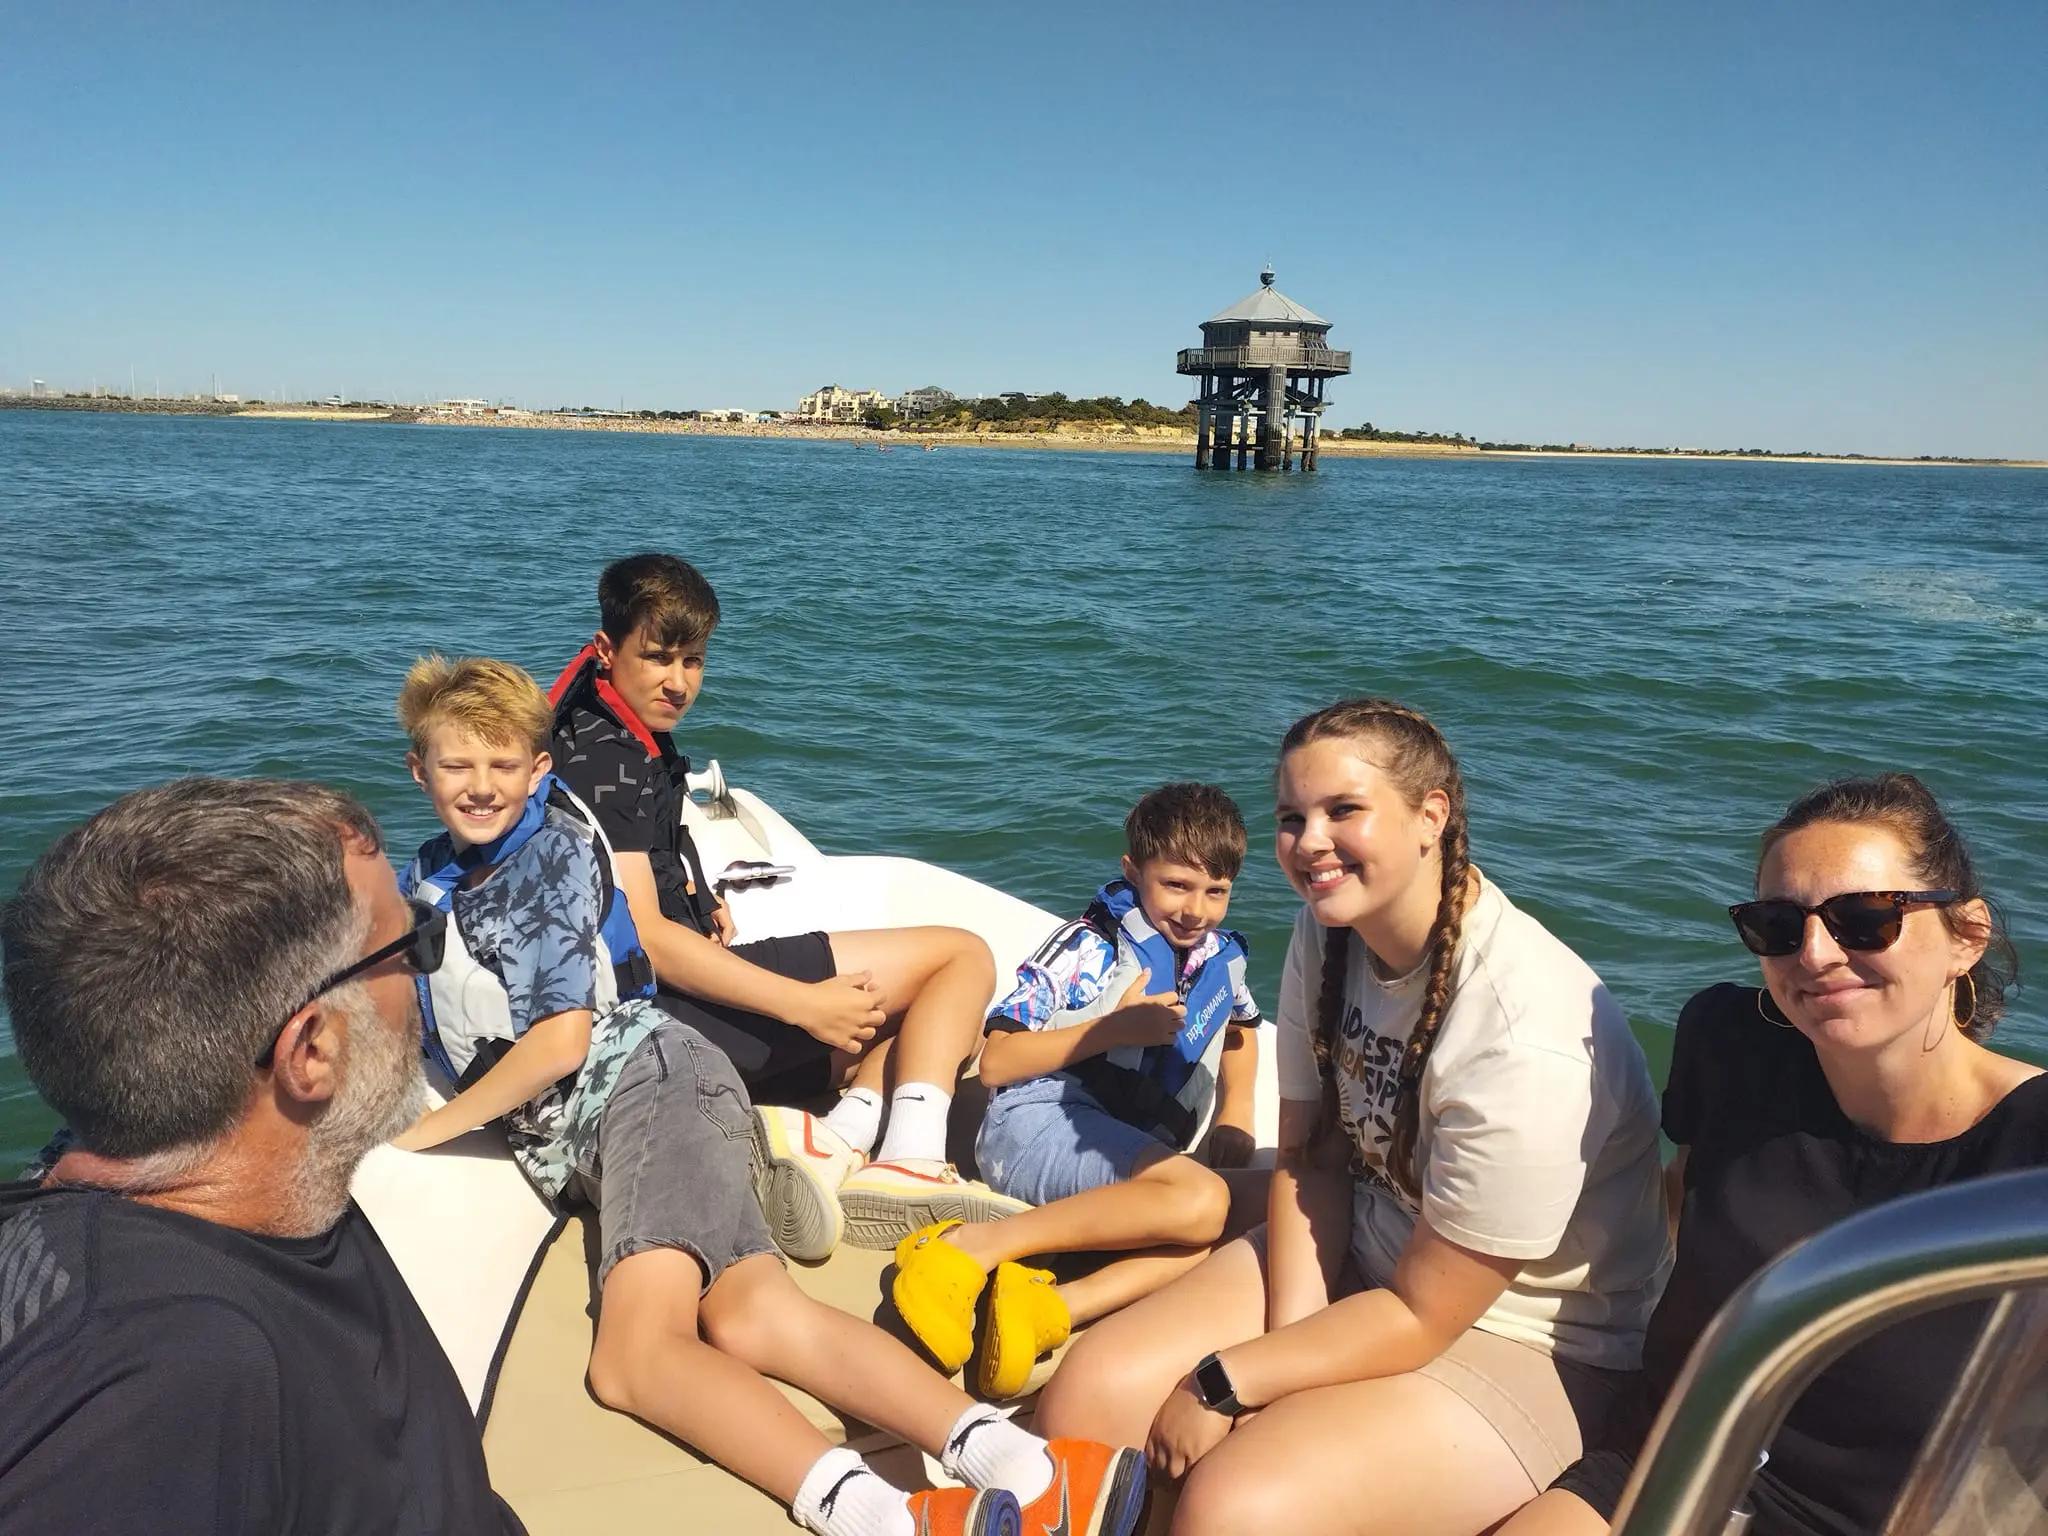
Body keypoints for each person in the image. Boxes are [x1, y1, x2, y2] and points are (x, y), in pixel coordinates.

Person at [392, 657, 1149, 1536]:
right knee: (752, 1317)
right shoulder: (438, 873)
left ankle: (888, 1520)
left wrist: (420, 1138)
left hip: (652, 1090)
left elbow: (561, 1039)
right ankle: (1028, 1466)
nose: (480, 787)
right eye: (456, 765)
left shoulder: (547, 862)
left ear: (540, 769)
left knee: (635, 1358)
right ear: (418, 770)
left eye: (502, 765)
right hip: (650, 1108)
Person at [1036, 697, 1671, 1536]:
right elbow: (1313, 1160)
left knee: (1237, 1503)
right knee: (1090, 1392)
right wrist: (1277, 1365)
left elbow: (1422, 1313)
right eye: (1292, 818)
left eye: (1343, 811)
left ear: (1430, 816)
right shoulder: (1330, 933)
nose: (1310, 843)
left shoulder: (1523, 1038)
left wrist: (1236, 1382)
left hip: (1525, 1341)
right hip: (1364, 1249)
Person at [1501, 772, 2038, 1536]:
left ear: (1967, 935)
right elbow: (1676, 1212)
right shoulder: (1731, 1044)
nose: (1815, 953)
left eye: (1864, 919)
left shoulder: (2033, 1146)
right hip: (1666, 1463)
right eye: (1778, 926)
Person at [0, 777, 523, 1533]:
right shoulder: (159, 1376)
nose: (421, 975)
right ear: (310, 1052)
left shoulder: (275, 1187)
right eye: (408, 946)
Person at [547, 553, 1018, 1259]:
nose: (679, 682)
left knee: (939, 1025)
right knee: (963, 960)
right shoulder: (607, 761)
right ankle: (909, 1164)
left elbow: (644, 848)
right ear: (609, 649)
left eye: (694, 661)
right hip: (661, 1009)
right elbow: (648, 939)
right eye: (659, 658)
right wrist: (802, 1005)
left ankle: (834, 1140)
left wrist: (700, 893)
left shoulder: (592, 718)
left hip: (663, 1004)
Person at [893, 783, 1269, 1400]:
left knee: (1265, 1210)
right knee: (1204, 1205)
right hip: (1038, 1122)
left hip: (1127, 1149)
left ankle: (1047, 1309)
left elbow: (1244, 1028)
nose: (1195, 910)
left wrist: (1239, 1109)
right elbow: (997, 1064)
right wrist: (1113, 1029)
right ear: (1133, 871)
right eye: (1175, 885)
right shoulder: (1088, 946)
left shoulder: (1216, 957)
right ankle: (966, 1250)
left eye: (1216, 892)